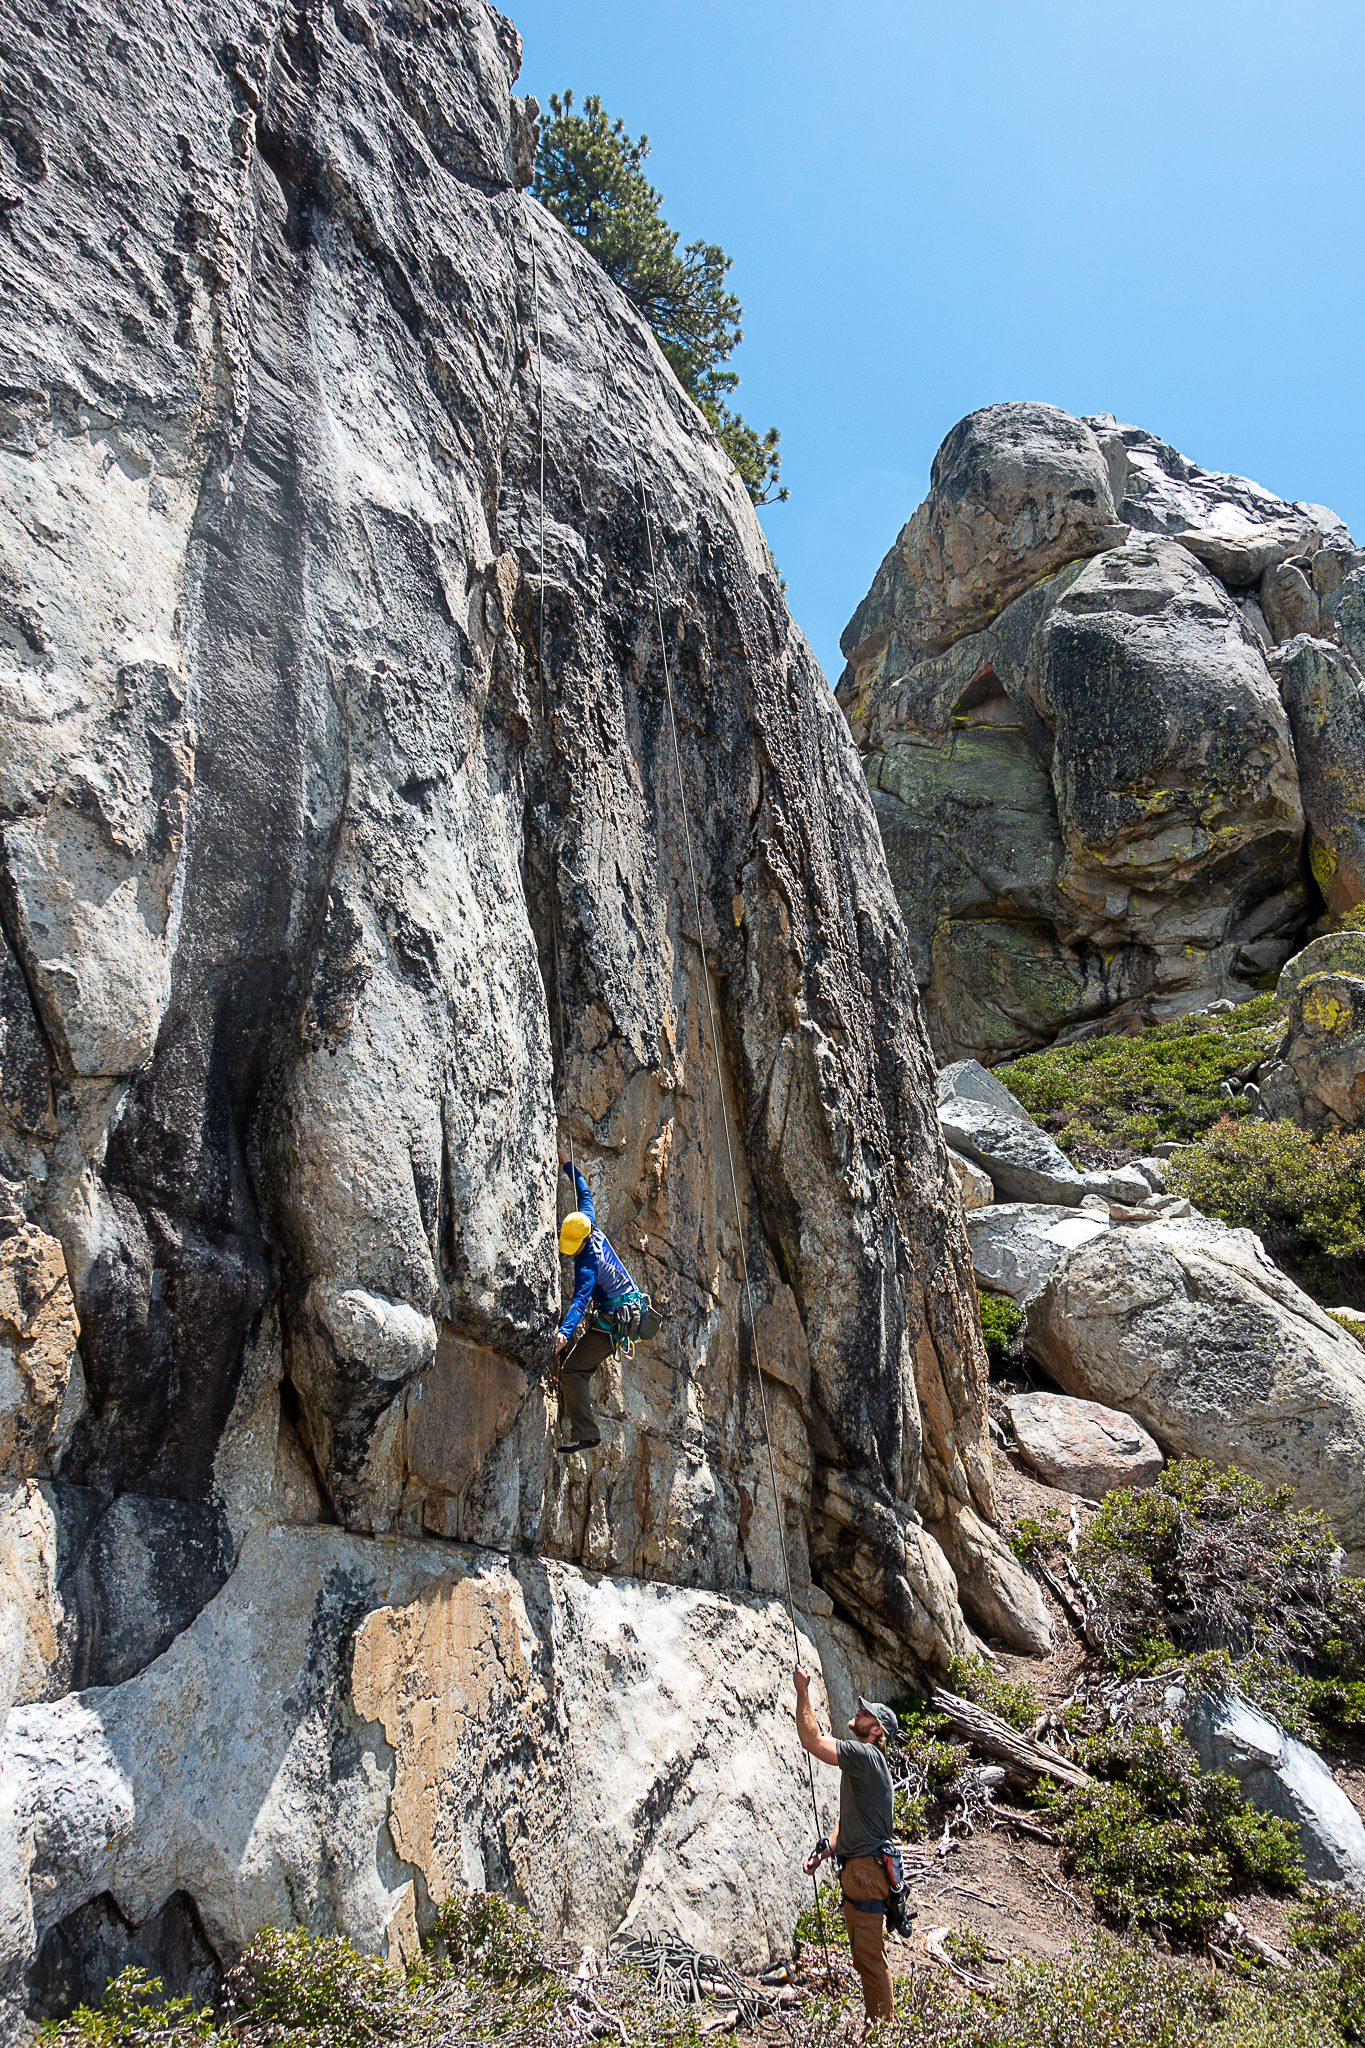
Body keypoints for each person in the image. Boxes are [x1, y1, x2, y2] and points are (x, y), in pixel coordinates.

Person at [793, 1663, 901, 2027]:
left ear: (876, 1729)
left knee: (869, 1958)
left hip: (867, 1873)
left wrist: (803, 1690)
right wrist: (827, 1847)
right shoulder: (870, 1764)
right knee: (864, 1957)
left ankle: (885, 2035)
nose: (857, 1711)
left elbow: (812, 1741)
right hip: (863, 1871)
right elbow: (852, 1822)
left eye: (865, 1712)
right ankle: (880, 2028)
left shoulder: (867, 1755)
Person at [553, 1141, 650, 1453]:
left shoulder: (587, 1265)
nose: (572, 1254)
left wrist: (564, 1333)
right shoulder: (588, 1222)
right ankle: (582, 1423)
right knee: (580, 1365)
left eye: (573, 1248)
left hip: (617, 1321)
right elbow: (583, 1189)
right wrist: (565, 1160)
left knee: (572, 1371)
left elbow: (581, 1301)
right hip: (627, 1309)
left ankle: (586, 1433)